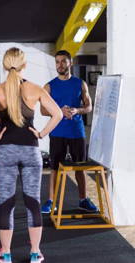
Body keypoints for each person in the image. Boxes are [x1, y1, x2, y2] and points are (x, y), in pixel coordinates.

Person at [0, 47, 62, 263]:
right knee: (33, 202)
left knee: (7, 203)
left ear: (6, 65)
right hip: (31, 150)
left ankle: (5, 253)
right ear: (24, 65)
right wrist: (41, 133)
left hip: (5, 151)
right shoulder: (35, 89)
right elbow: (58, 114)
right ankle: (35, 252)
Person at [40, 50, 98, 214]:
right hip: (57, 131)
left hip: (76, 132)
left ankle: (83, 199)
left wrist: (76, 110)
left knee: (80, 167)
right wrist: (59, 110)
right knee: (54, 168)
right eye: (57, 62)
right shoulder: (49, 86)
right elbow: (43, 110)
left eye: (63, 61)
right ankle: (51, 201)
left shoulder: (80, 84)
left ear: (70, 63)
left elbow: (89, 107)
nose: (60, 65)